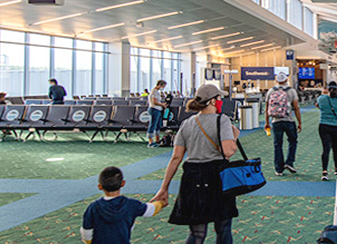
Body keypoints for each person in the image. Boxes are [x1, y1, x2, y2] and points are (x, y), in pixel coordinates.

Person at [151, 84, 240, 244]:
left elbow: (176, 158)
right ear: (213, 101)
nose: (221, 101)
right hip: (217, 177)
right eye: (219, 98)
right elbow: (228, 151)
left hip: (191, 179)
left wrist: (164, 188)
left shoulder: (187, 123)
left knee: (197, 233)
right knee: (223, 227)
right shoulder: (222, 120)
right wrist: (234, 136)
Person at [81, 166, 166, 244]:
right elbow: (151, 210)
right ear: (123, 183)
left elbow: (86, 231)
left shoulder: (93, 207)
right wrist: (161, 203)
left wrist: (88, 241)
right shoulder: (131, 204)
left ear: (100, 186)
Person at [265, 72, 301, 176]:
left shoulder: (271, 91)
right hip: (289, 120)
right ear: (286, 80)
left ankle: (278, 169)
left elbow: (267, 108)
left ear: (277, 80)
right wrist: (299, 122)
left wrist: (267, 122)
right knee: (293, 141)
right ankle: (289, 162)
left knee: (277, 145)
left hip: (276, 121)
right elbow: (296, 107)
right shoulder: (291, 91)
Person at [316, 82, 337, 181]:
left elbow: (318, 105)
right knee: (336, 148)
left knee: (326, 148)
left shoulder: (322, 98)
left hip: (324, 125)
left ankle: (324, 172)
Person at [147, 80, 168, 148]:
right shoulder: (154, 91)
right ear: (159, 85)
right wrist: (162, 104)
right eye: (163, 86)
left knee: (158, 125)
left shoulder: (157, 92)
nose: (163, 88)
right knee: (153, 125)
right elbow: (154, 101)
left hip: (158, 109)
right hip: (154, 109)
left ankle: (157, 139)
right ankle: (150, 141)